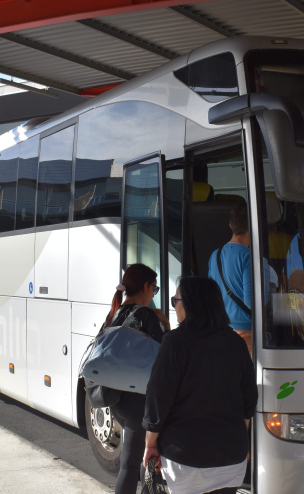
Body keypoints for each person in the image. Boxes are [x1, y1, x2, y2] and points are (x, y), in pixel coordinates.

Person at [142, 277, 257, 494]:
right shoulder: (236, 343)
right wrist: (239, 439)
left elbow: (158, 399)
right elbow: (249, 400)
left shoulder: (175, 343)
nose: (174, 306)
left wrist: (150, 444)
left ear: (190, 303)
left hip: (186, 457)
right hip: (231, 458)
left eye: (176, 300)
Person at [101, 263, 169, 494]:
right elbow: (166, 351)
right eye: (154, 289)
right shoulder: (145, 314)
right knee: (134, 465)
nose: (153, 294)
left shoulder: (114, 312)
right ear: (145, 286)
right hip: (139, 398)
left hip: (117, 397)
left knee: (135, 461)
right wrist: (166, 324)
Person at [208, 201, 253, 350]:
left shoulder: (215, 255)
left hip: (222, 331)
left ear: (230, 226)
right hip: (247, 333)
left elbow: (211, 297)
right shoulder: (247, 257)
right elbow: (251, 301)